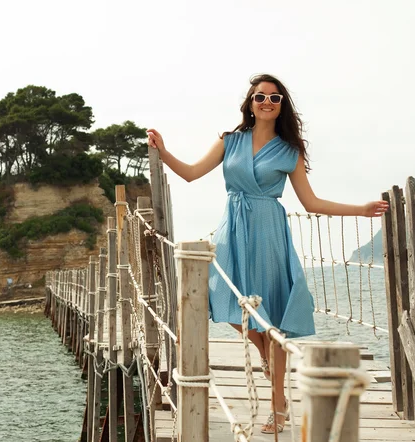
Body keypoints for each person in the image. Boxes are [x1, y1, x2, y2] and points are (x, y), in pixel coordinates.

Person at [147, 74, 388, 434]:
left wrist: (361, 209)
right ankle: (264, 352)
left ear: (281, 107)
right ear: (250, 102)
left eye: (275, 99)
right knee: (222, 297)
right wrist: (164, 153)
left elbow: (311, 202)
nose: (266, 102)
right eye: (260, 97)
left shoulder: (290, 151)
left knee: (270, 319)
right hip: (233, 230)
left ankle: (278, 407)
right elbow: (192, 174)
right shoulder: (230, 141)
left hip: (268, 233)